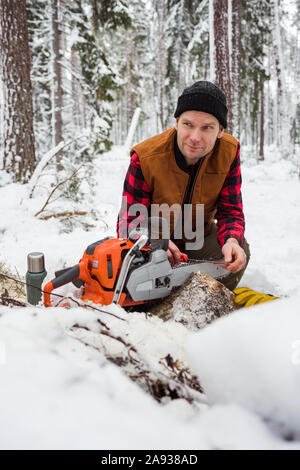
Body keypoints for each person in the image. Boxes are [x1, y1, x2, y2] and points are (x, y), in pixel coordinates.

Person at [117, 81, 250, 291]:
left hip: (198, 238)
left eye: (207, 127)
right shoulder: (145, 158)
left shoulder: (228, 153)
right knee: (125, 269)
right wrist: (154, 241)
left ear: (220, 131)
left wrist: (232, 240)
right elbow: (128, 221)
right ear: (177, 122)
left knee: (239, 251)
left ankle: (203, 300)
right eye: (188, 124)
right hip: (154, 247)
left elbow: (231, 211)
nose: (195, 137)